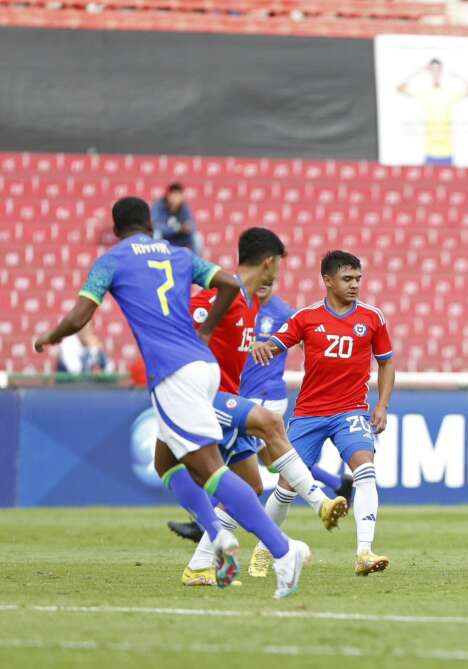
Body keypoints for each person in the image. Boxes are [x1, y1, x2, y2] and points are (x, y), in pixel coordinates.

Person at [33, 197, 308, 598]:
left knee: (210, 471)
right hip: (202, 365)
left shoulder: (111, 260)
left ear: (116, 228)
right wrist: (208, 332)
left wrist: (50, 337)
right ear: (150, 223)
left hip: (172, 373)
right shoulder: (180, 254)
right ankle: (218, 537)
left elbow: (79, 317)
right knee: (166, 462)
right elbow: (231, 284)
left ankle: (284, 552)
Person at [178, 228, 349, 587]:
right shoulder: (220, 295)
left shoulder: (253, 303)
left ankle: (199, 566)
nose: (278, 275)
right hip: (205, 399)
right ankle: (320, 502)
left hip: (228, 395)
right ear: (269, 262)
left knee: (251, 485)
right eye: (278, 266)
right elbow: (184, 330)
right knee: (270, 425)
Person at [167, 282, 355, 546]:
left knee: (227, 461)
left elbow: (310, 340)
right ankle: (336, 484)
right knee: (272, 459)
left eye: (269, 283)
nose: (263, 287)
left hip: (265, 394)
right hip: (245, 393)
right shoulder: (243, 307)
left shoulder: (283, 312)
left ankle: (204, 523)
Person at [251, 251, 396, 576]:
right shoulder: (307, 317)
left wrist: (383, 404)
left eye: (358, 278)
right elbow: (277, 343)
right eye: (347, 279)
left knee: (365, 470)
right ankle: (263, 547)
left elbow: (386, 363)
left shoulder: (372, 318)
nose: (355, 285)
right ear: (327, 281)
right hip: (310, 413)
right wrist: (263, 346)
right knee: (287, 485)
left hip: (351, 411)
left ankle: (364, 552)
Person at [397, 59, 468, 166]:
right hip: (430, 151)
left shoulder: (450, 93)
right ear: (429, 72)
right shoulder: (423, 92)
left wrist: (458, 76)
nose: (436, 73)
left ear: (442, 71)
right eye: (433, 70)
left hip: (447, 151)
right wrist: (419, 70)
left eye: (438, 70)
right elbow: (400, 88)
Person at [151, 183, 200, 254]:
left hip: (180, 239)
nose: (176, 198)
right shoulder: (158, 206)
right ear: (168, 195)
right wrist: (177, 229)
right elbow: (155, 226)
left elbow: (192, 225)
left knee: (197, 237)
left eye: (179, 195)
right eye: (174, 194)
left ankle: (194, 262)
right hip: (164, 239)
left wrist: (187, 228)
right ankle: (155, 259)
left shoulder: (184, 207)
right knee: (156, 234)